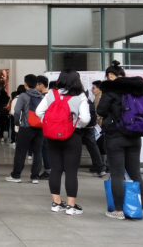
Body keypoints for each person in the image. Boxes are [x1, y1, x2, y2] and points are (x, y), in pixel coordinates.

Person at [97, 60, 143, 220]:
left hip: (115, 135)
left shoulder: (110, 89)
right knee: (135, 173)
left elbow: (101, 110)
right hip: (135, 135)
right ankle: (139, 206)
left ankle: (118, 211)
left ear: (110, 75)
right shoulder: (137, 88)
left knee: (117, 174)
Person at [36, 68, 90, 215]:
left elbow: (39, 111)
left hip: (52, 136)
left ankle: (56, 203)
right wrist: (76, 123)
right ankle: (71, 206)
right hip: (72, 136)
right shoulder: (80, 96)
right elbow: (85, 118)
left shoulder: (51, 94)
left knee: (56, 169)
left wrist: (51, 123)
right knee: (71, 171)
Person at [6, 74, 44, 183]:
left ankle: (16, 176)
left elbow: (17, 111)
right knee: (38, 153)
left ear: (25, 84)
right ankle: (35, 177)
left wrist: (17, 122)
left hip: (26, 127)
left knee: (21, 152)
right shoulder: (42, 97)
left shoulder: (23, 96)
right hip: (39, 128)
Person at [82, 82, 106, 177]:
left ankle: (68, 169)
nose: (92, 90)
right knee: (93, 147)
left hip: (80, 125)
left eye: (94, 88)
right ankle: (100, 169)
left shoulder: (97, 97)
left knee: (73, 147)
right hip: (91, 125)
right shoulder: (88, 96)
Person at [35, 76, 52, 180]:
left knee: (45, 148)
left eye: (37, 85)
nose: (35, 87)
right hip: (52, 125)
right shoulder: (52, 95)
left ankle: (48, 170)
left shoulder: (43, 97)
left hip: (46, 125)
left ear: (41, 84)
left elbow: (39, 112)